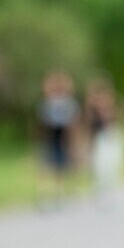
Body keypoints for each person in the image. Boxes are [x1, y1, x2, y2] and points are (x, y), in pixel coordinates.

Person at [36, 70, 80, 206]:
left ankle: (61, 194)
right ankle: (44, 195)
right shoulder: (47, 103)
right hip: (50, 137)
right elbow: (41, 123)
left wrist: (74, 142)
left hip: (63, 137)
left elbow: (73, 123)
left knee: (62, 167)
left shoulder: (68, 103)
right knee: (46, 166)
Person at [84, 77, 124, 203]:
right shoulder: (92, 109)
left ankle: (112, 190)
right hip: (99, 138)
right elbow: (88, 124)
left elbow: (122, 120)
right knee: (99, 165)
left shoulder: (115, 106)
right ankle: (99, 190)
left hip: (113, 135)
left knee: (113, 163)